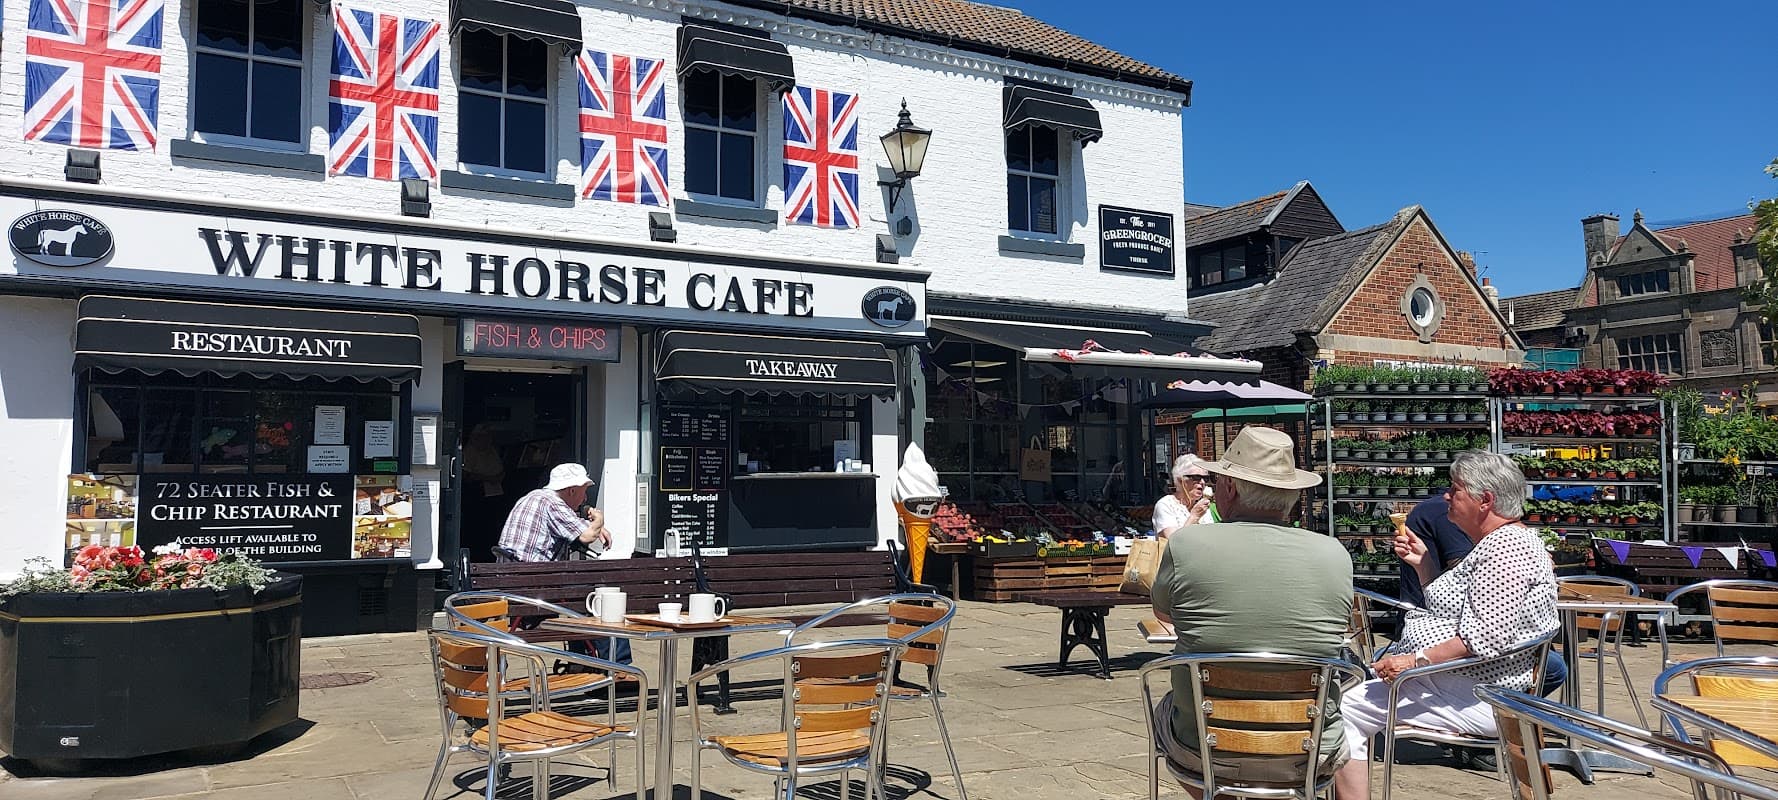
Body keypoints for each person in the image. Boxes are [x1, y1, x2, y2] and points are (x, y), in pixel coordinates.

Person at [1333, 452, 1559, 800]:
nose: (1446, 497)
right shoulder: (1499, 542)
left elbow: (1485, 637)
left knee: (1341, 707)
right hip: (1464, 682)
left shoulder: (1506, 550)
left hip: (1478, 693)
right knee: (1348, 696)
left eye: (1456, 490)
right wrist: (1424, 565)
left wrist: (1413, 660)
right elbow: (1459, 610)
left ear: (1485, 500)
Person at [1151, 427, 1353, 789]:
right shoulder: (1334, 554)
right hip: (1307, 751)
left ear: (1229, 489)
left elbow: (1164, 615)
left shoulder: (1186, 545)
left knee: (1164, 710)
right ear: (1292, 496)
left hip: (1205, 746)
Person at [496, 463, 628, 664]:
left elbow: (571, 524)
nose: (585, 499)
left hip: (517, 583)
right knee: (602, 599)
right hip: (535, 587)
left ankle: (581, 661)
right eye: (583, 493)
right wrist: (599, 520)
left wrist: (588, 517)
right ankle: (619, 665)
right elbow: (586, 536)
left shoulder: (534, 497)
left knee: (581, 593)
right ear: (572, 490)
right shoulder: (552, 503)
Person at [1152, 454, 1216, 538]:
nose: (1203, 482)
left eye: (1206, 478)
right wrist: (1194, 516)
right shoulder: (1165, 505)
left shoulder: (1201, 506)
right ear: (1180, 480)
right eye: (1196, 477)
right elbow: (1172, 541)